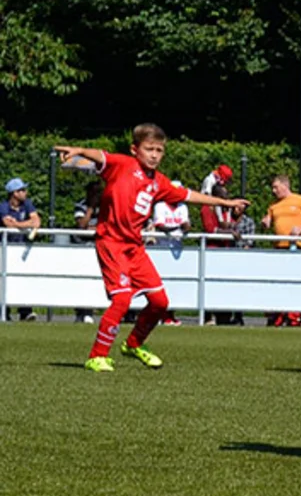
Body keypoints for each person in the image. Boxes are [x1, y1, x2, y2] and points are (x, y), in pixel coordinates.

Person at [54, 126, 248, 371]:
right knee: (122, 299)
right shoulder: (123, 165)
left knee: (159, 301)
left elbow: (189, 196)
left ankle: (134, 344)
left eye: (159, 150)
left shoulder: (159, 182)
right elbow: (101, 156)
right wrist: (79, 150)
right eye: (149, 149)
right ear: (135, 150)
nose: (155, 155)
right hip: (111, 242)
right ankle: (97, 355)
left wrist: (225, 202)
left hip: (134, 247)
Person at [4, 178, 43, 321]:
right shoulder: (4, 206)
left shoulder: (27, 204)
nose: (25, 193)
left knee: (24, 279)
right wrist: (26, 225)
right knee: (4, 280)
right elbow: (8, 224)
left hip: (22, 250)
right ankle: (5, 312)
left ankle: (25, 312)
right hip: (6, 249)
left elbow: (36, 221)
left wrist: (18, 224)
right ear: (14, 193)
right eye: (22, 190)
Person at [263, 174, 301, 250]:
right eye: (273, 188)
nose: (273, 191)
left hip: (296, 244)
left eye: (276, 187)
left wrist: (300, 229)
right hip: (278, 246)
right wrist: (265, 223)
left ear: (285, 186)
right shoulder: (273, 205)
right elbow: (267, 222)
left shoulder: (300, 200)